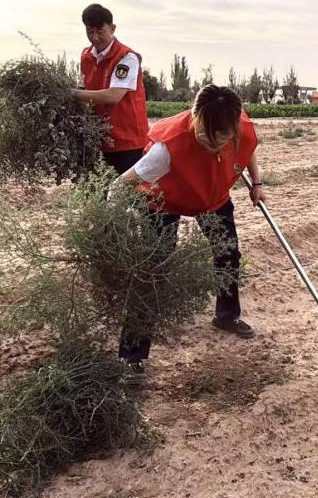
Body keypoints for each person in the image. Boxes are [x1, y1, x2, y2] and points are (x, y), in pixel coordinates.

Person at [110, 84, 266, 370]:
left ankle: (226, 315)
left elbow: (247, 149)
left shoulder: (238, 126)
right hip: (165, 198)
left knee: (227, 253)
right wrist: (109, 216)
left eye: (222, 139)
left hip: (212, 195)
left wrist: (256, 183)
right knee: (153, 269)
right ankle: (132, 355)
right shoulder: (167, 149)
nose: (214, 145)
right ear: (195, 119)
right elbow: (121, 185)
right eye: (206, 136)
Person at [73, 3, 149, 176]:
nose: (95, 37)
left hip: (128, 142)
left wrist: (71, 94)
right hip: (99, 140)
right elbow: (85, 88)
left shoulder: (126, 57)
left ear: (112, 28)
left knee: (130, 197)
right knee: (99, 193)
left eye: (100, 32)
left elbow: (114, 96)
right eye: (89, 31)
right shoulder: (86, 56)